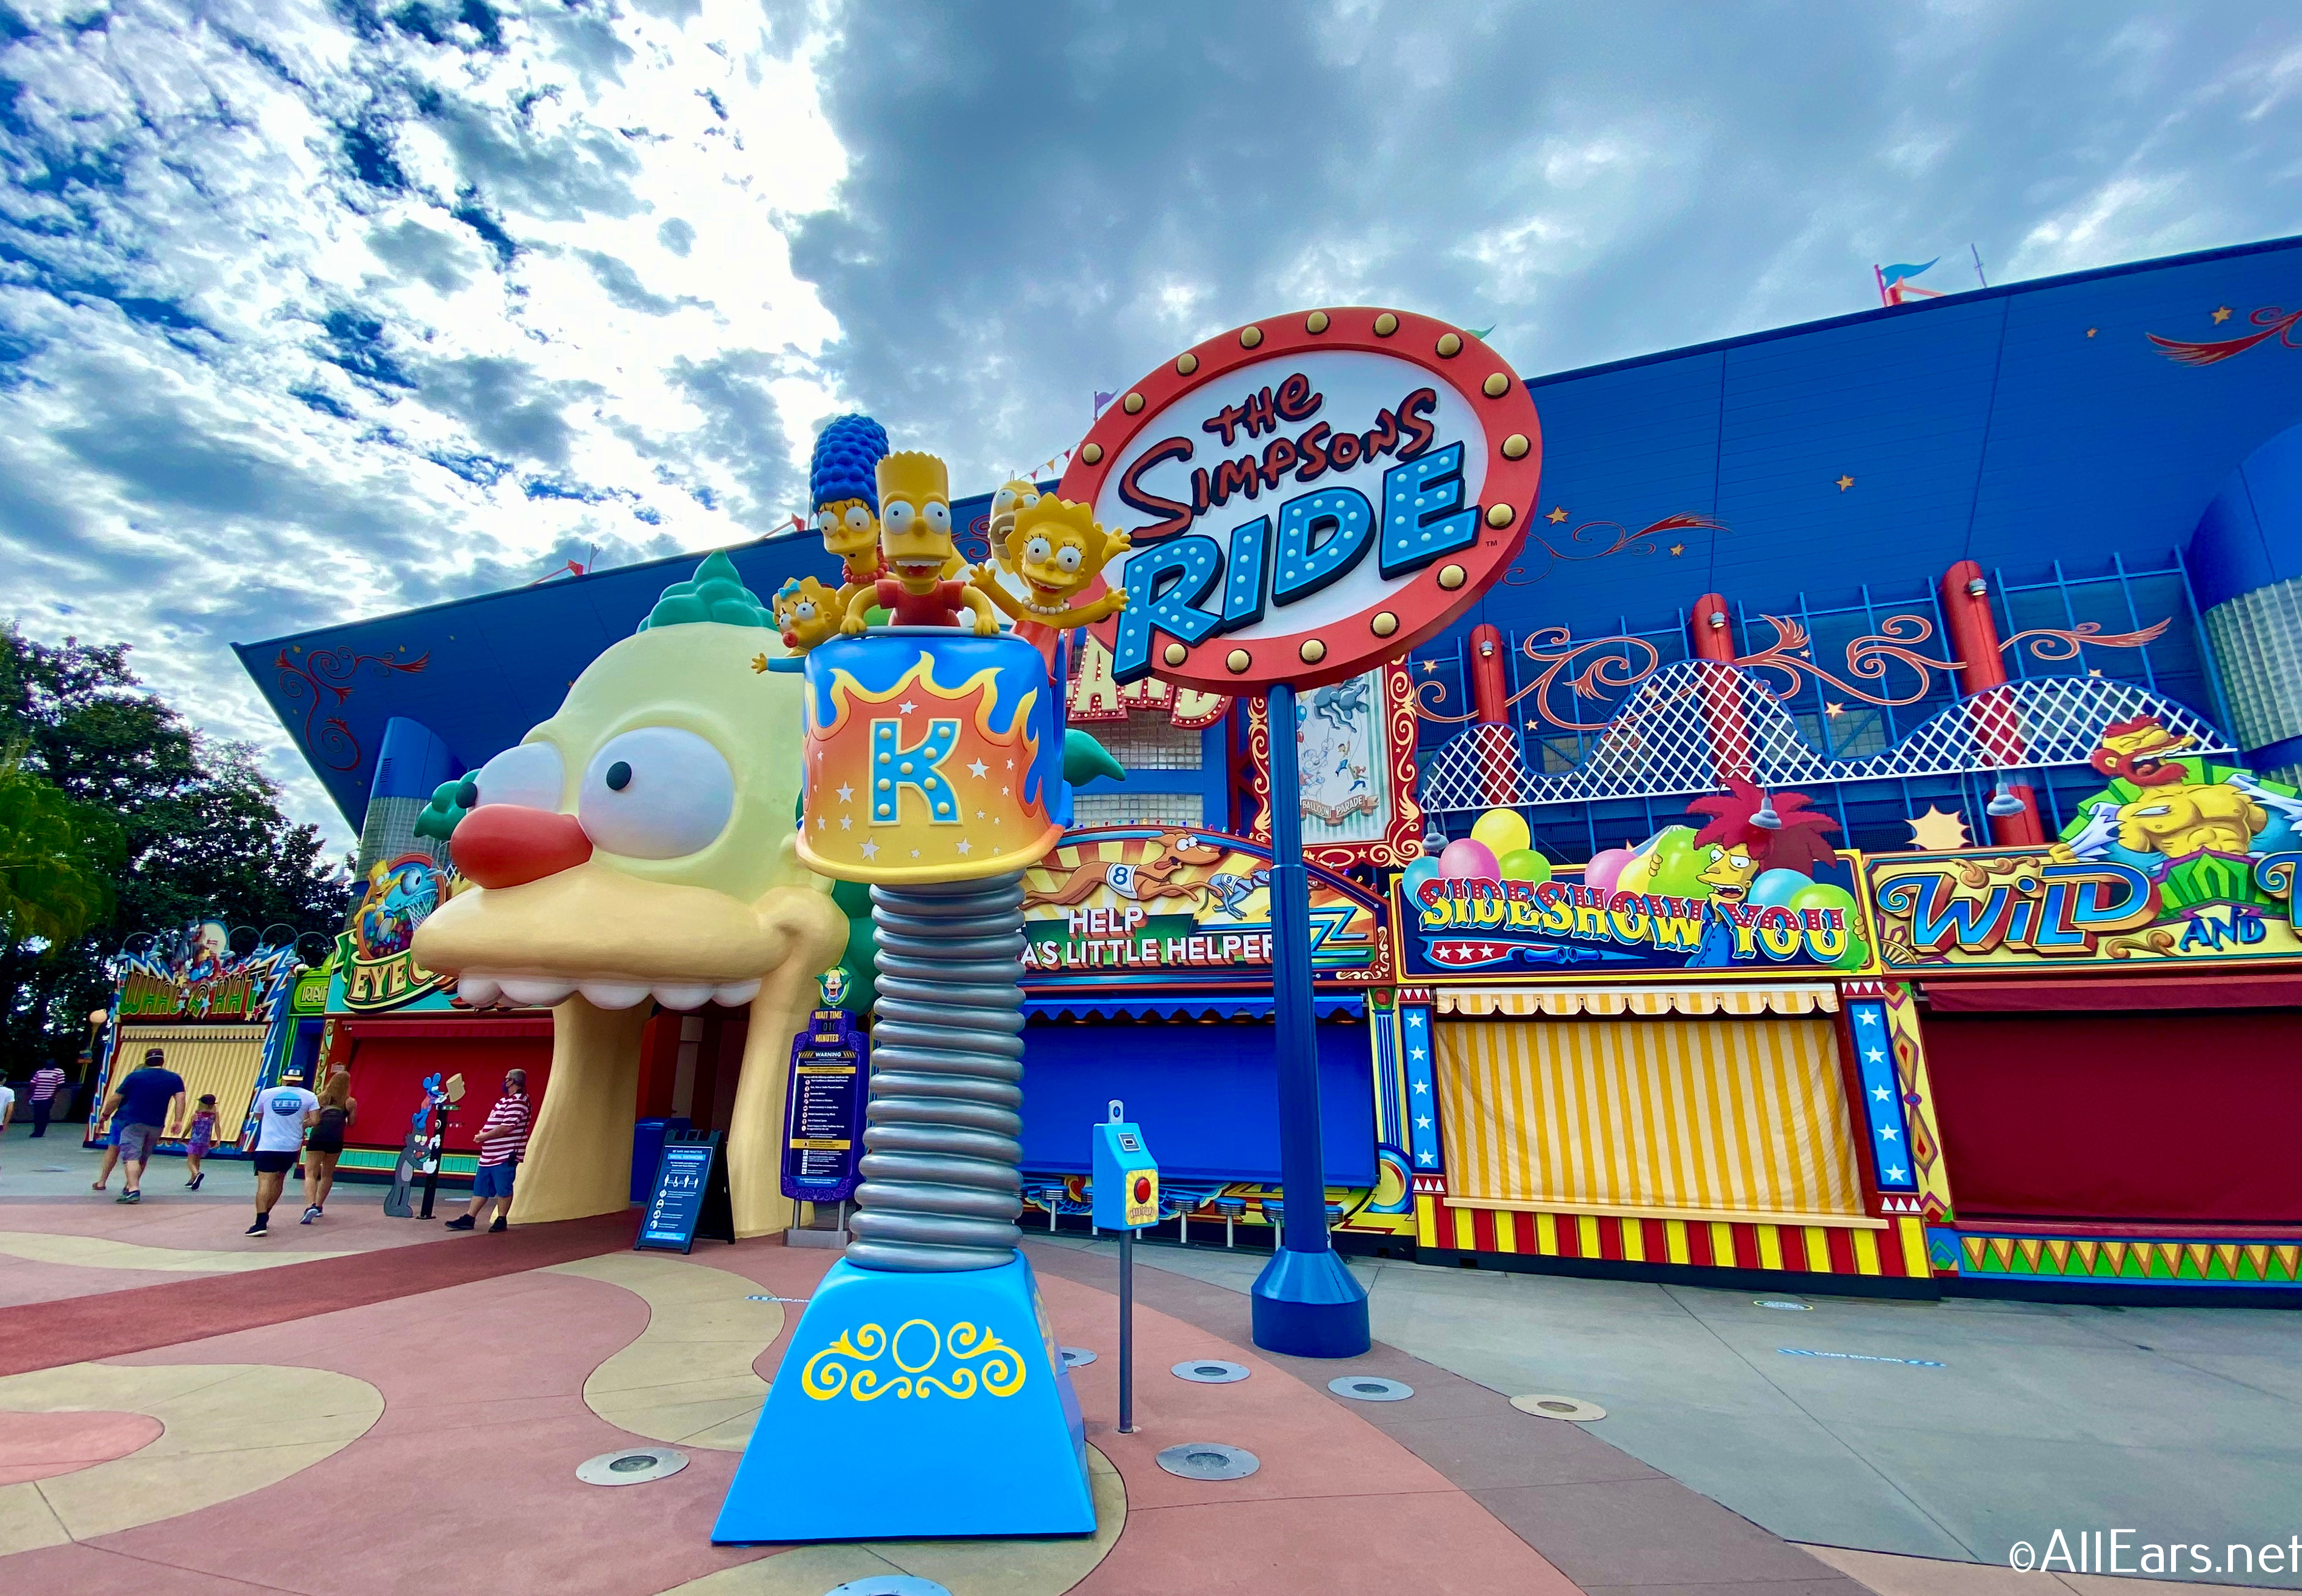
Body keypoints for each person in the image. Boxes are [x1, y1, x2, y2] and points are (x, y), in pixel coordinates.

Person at [445, 1068, 529, 1234]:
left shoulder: (519, 1101)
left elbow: (506, 1127)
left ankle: (501, 1218)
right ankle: (470, 1217)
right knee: (481, 1188)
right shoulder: (504, 1101)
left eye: (506, 1079)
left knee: (503, 1188)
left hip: (505, 1154)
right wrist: (483, 1135)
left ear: (513, 1081)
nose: (504, 1082)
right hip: (489, 1156)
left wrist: (485, 1137)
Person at [98, 1047, 185, 1205]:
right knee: (143, 1157)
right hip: (156, 1124)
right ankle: (130, 1186)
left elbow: (116, 1098)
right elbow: (180, 1099)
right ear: (163, 1061)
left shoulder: (134, 1077)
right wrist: (178, 1120)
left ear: (146, 1060)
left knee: (131, 1156)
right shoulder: (174, 1078)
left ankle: (133, 1190)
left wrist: (105, 1115)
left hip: (131, 1121)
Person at [246, 1075, 318, 1237]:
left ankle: (260, 1222)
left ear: (283, 1078)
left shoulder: (267, 1094)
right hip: (291, 1147)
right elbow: (315, 1120)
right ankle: (266, 1214)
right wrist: (300, 1123)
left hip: (268, 1145)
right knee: (279, 1179)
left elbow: (257, 1115)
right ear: (300, 1080)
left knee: (264, 1182)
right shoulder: (309, 1096)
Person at [300, 1069, 356, 1223]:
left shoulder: (319, 1098)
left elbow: (309, 1118)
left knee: (310, 1173)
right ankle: (319, 1207)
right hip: (335, 1140)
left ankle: (310, 1205)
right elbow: (352, 1123)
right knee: (327, 1174)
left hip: (317, 1137)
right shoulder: (349, 1101)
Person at [183, 1093, 219, 1190]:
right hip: (205, 1141)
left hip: (195, 1140)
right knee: (197, 1160)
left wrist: (182, 1137)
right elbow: (217, 1126)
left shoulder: (197, 1115)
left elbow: (189, 1127)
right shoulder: (214, 1115)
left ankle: (197, 1174)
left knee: (190, 1161)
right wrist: (219, 1139)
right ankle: (192, 1180)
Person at [27, 1062, 65, 1138]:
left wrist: (30, 1094)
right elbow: (60, 1084)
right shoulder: (58, 1072)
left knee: (41, 1114)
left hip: (44, 1096)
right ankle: (39, 1130)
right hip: (42, 1096)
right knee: (40, 1114)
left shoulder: (42, 1072)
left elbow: (33, 1084)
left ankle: (39, 1131)